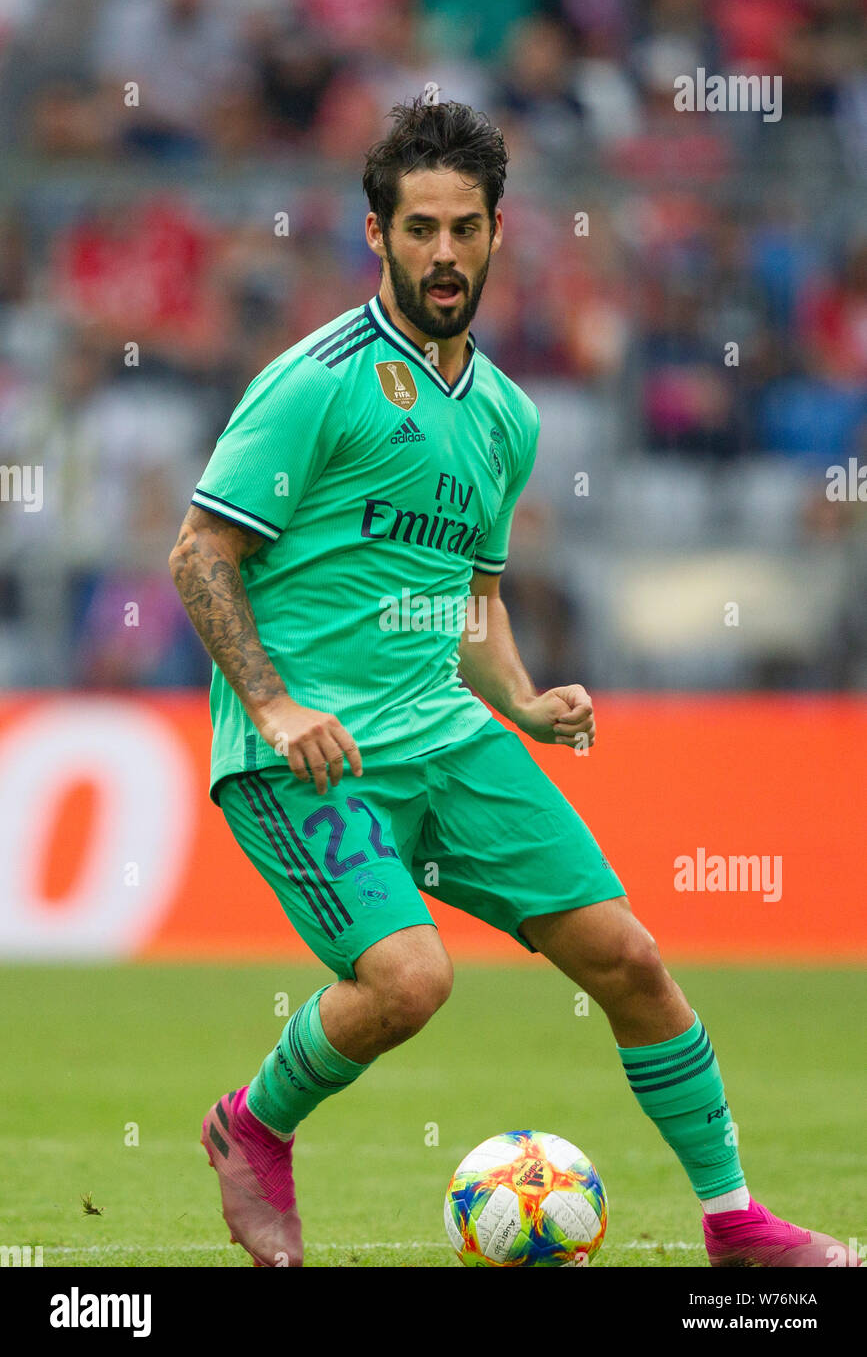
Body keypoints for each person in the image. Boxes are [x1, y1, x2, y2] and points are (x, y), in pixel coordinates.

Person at [169, 97, 860, 1269]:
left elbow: (469, 599)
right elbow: (199, 554)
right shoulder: (316, 381)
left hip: (444, 731)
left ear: (498, 232)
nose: (446, 253)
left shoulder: (505, 416)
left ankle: (736, 1222)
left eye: (468, 228)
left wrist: (526, 698)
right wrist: (279, 705)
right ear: (377, 236)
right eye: (422, 229)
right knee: (409, 978)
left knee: (631, 960)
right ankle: (253, 1124)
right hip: (308, 755)